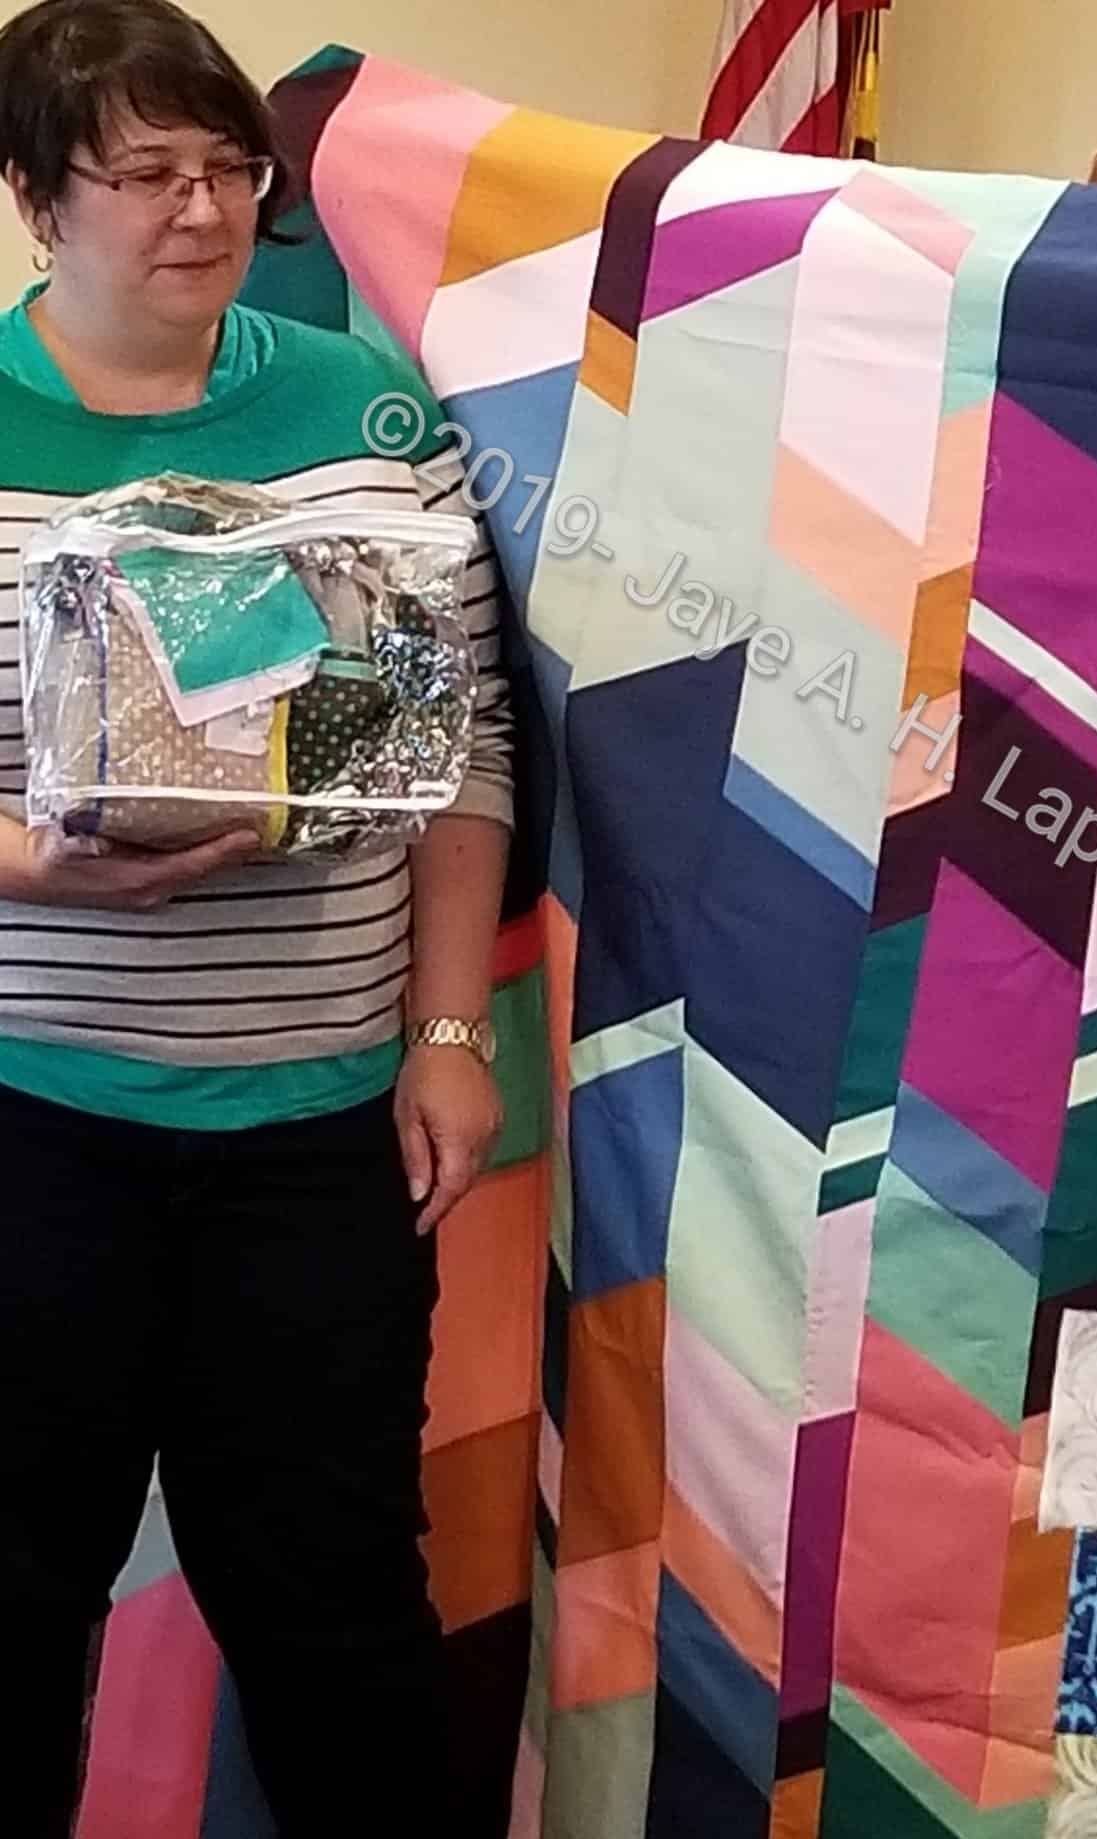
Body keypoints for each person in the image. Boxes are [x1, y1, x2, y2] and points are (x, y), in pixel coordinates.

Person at [0, 0, 513, 1829]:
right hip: (34, 1123)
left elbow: (458, 744)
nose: (206, 211)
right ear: (38, 200)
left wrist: (448, 1032)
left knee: (338, 1616)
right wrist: (37, 863)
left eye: (229, 168)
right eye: (146, 175)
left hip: (318, 1133)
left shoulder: (365, 413)